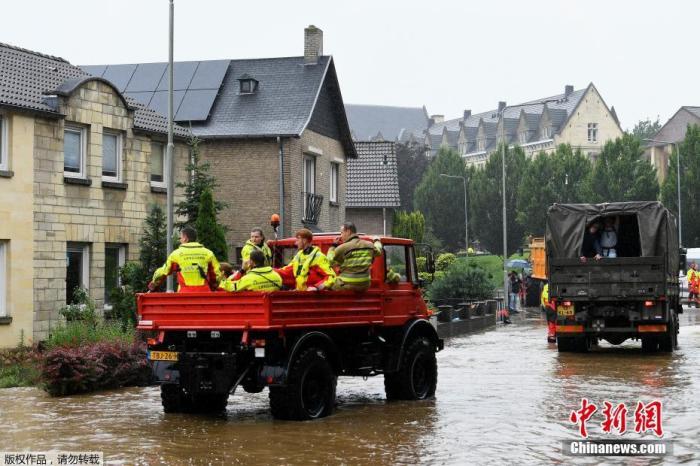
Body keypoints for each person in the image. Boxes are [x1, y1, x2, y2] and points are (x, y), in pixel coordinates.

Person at [148, 226, 221, 292]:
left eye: (181, 238)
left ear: (185, 238)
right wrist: (214, 287)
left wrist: (154, 284)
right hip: (204, 294)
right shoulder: (208, 253)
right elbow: (217, 274)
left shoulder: (176, 254)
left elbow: (164, 271)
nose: (180, 240)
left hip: (184, 295)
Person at [327, 222, 383, 292]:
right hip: (364, 285)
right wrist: (377, 241)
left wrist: (333, 246)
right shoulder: (369, 245)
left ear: (348, 231)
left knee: (327, 284)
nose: (341, 236)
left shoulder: (342, 248)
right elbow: (379, 251)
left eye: (341, 233)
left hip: (347, 285)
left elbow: (329, 261)